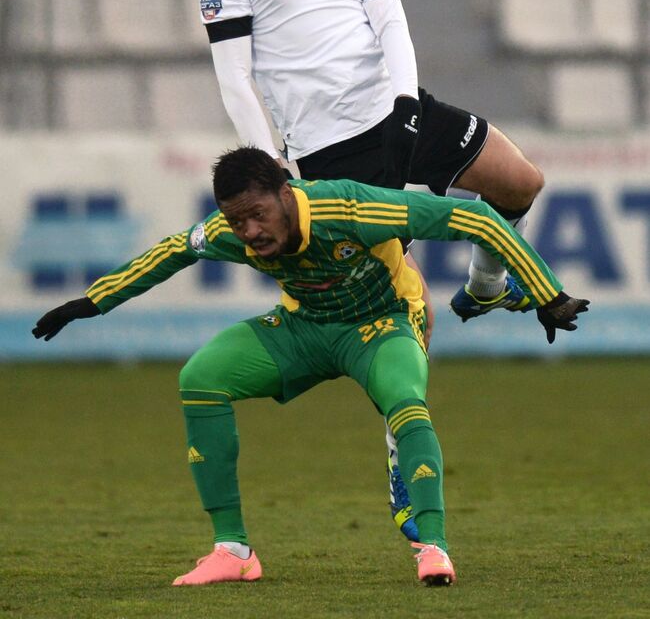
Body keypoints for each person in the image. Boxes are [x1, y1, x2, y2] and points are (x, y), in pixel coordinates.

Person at [196, 0, 548, 534]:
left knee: (520, 183)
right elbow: (235, 77)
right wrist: (272, 170)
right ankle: (399, 454)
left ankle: (485, 288)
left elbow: (390, 19)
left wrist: (406, 101)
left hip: (395, 108)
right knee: (400, 303)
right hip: (325, 149)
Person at [32, 147, 588, 588]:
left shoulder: (348, 208)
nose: (249, 231)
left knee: (405, 400)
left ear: (286, 192)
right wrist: (92, 301)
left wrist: (548, 294)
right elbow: (175, 248)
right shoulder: (231, 233)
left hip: (383, 324)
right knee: (198, 378)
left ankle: (434, 547)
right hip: (303, 330)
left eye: (257, 214)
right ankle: (234, 551)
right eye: (237, 219)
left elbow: (480, 217)